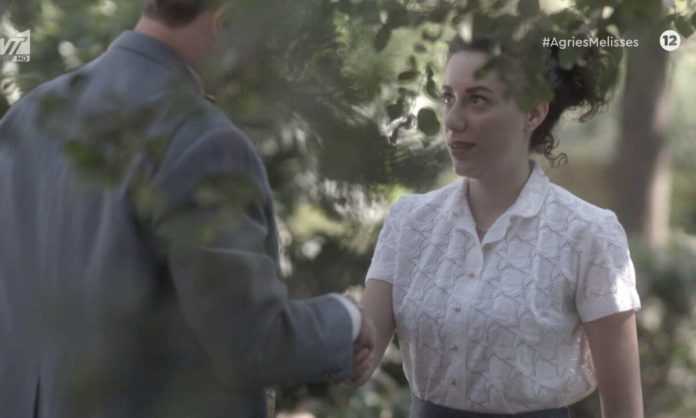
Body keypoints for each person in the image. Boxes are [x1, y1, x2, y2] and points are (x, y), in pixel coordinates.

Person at [0, 1, 375, 417]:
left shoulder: (26, 118)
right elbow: (250, 339)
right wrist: (347, 320)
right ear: (226, 21)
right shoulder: (201, 140)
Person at [357, 34, 644, 418]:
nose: (452, 120)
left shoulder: (588, 234)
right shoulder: (409, 221)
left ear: (533, 113)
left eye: (477, 100)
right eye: (448, 98)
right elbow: (358, 355)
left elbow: (624, 409)